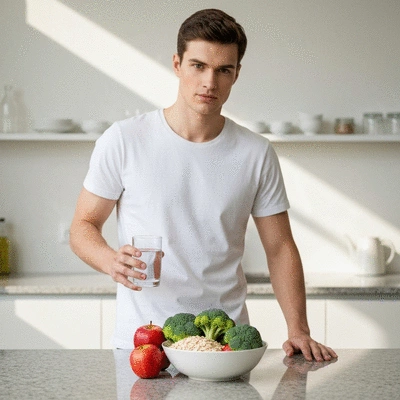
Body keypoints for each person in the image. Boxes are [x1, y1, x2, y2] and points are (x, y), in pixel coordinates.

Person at [70, 8, 337, 362]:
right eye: (198, 66)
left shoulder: (255, 152)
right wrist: (109, 260)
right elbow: (82, 226)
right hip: (144, 342)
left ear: (236, 74)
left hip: (225, 345)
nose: (210, 82)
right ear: (177, 64)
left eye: (223, 69)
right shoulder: (124, 140)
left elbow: (280, 247)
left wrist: (298, 330)